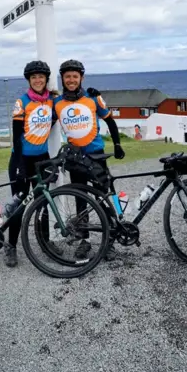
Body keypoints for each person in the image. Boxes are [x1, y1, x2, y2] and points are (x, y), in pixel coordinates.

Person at [53, 59, 125, 261]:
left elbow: (110, 120)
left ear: (81, 78)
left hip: (96, 155)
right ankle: (84, 240)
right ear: (63, 79)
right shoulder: (57, 104)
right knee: (80, 199)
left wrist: (118, 145)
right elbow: (42, 123)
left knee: (102, 197)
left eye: (75, 76)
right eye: (67, 76)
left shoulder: (93, 98)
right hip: (75, 158)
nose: (71, 80)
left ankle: (109, 239)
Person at [5, 60, 62, 267]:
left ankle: (45, 242)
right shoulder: (22, 103)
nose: (38, 80)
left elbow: (55, 118)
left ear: (46, 79)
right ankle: (11, 246)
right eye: (33, 77)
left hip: (42, 158)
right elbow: (17, 137)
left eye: (41, 76)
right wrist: (20, 164)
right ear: (29, 80)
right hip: (21, 159)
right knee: (18, 205)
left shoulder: (50, 102)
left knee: (43, 203)